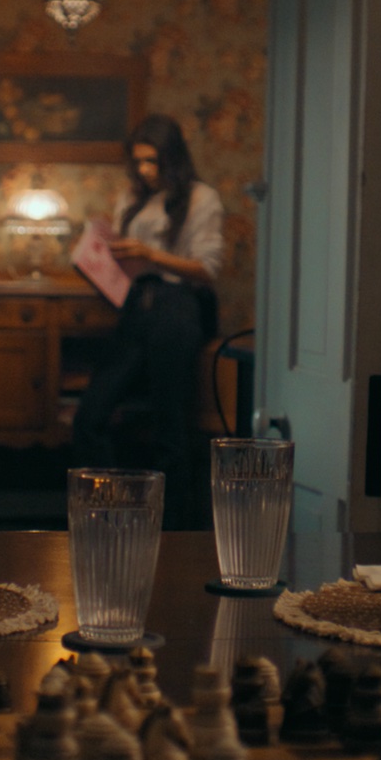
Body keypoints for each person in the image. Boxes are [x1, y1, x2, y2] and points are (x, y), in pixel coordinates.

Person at [71, 115, 226, 527]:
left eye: (152, 161)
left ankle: (173, 528)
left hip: (177, 307)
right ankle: (111, 516)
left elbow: (207, 268)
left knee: (169, 425)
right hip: (136, 305)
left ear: (172, 158)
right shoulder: (132, 197)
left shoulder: (199, 197)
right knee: (90, 417)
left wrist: (151, 254)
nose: (143, 170)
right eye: (137, 161)